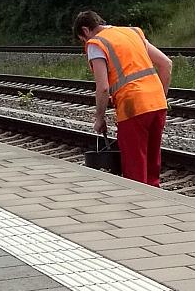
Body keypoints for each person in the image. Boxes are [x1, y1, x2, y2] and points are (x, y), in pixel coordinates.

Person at [73, 10, 172, 187]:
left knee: (135, 169)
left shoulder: (96, 43)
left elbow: (103, 88)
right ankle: (155, 203)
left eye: (83, 40)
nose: (85, 44)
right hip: (157, 104)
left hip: (133, 106)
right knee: (152, 164)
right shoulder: (133, 32)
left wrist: (99, 118)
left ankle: (139, 208)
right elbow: (166, 64)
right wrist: (159, 96)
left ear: (86, 31)